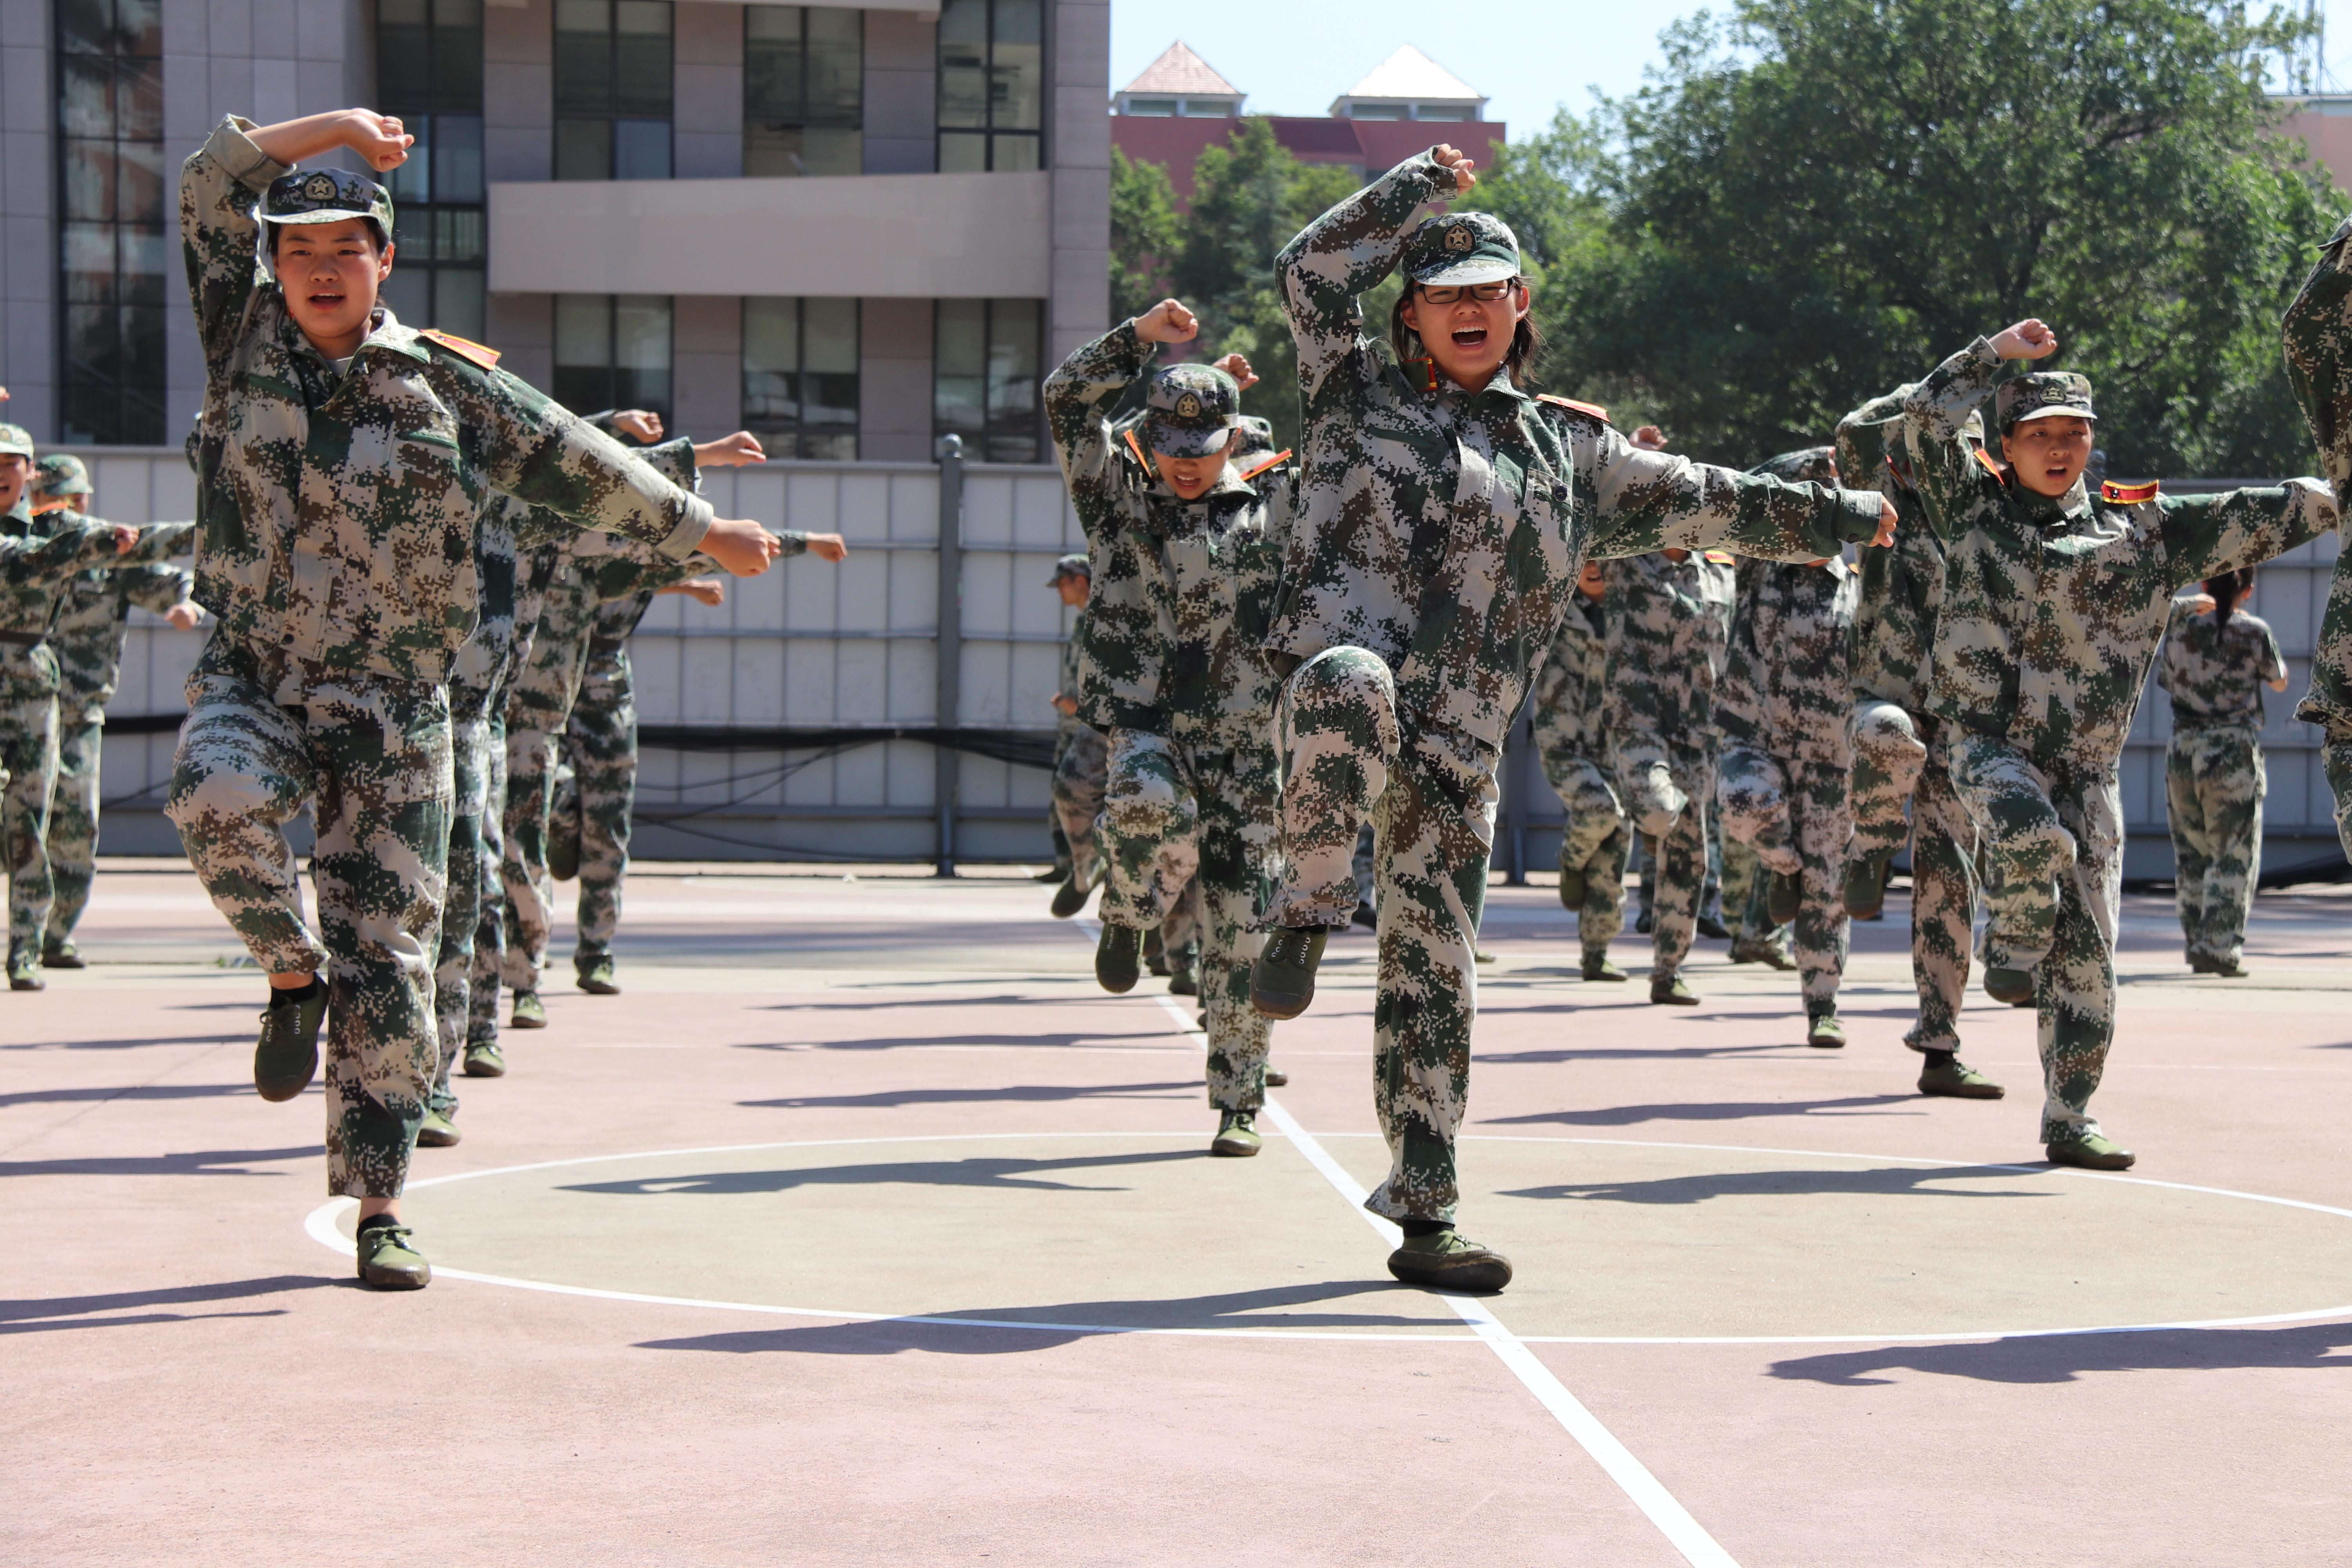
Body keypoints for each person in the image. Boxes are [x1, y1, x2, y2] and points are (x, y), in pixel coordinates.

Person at [1250, 144, 1895, 1291]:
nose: (1465, 311)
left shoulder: (1568, 451)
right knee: (1350, 677)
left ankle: (1426, 1209)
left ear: (1518, 304)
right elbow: (1309, 268)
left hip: (1459, 744)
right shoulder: (1352, 395)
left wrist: (1834, 515)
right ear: (1409, 313)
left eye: (1485, 291)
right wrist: (1412, 187)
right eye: (1440, 294)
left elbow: (1709, 498)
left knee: (1435, 972)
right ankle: (1305, 907)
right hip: (1342, 712)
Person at [171, 108, 784, 1288]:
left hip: (396, 703)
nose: (321, 270)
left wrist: (699, 527)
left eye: (345, 250)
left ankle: (381, 1205)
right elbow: (209, 184)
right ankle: (289, 974)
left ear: (384, 261)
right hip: (261, 671)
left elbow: (572, 457)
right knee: (212, 796)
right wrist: (335, 130)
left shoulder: (443, 383)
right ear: (275, 267)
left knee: (390, 958)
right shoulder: (237, 334)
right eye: (299, 252)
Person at [1901, 318, 2334, 1171]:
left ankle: (2070, 1115)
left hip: (2088, 770)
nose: (2060, 448)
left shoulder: (2145, 533)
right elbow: (1925, 419)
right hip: (1990, 747)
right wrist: (1994, 354)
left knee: (2090, 955)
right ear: (2008, 445)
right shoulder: (1970, 507)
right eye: (2040, 434)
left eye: (2075, 433)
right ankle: (2013, 938)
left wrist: (2339, 487)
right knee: (2029, 835)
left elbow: (2270, 512)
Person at [1044, 300, 1289, 1158]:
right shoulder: (1113, 496)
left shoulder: (1277, 501)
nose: (1187, 463)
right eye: (1173, 446)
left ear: (1234, 439)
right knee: (1149, 801)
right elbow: (1067, 400)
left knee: (1243, 926)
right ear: (1148, 436)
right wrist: (1138, 337)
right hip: (1150, 722)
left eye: (1205, 447)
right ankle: (1128, 908)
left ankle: (1238, 1100)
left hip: (1249, 744)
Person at [1834, 384, 2006, 1096]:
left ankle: (1939, 1045)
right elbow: (1852, 435)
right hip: (1888, 694)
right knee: (1888, 735)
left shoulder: (1992, 504)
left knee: (1949, 882)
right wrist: (1918, 398)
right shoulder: (1880, 498)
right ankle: (1872, 844)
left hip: (1966, 713)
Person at [1, 444, 188, 992]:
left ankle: (38, 942)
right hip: (33, 692)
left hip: (52, 700)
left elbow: (147, 554)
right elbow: (31, 561)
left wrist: (216, 534)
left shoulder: (73, 535)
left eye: (11, 464)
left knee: (51, 824)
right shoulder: (49, 542)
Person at [1714, 446, 1858, 1045]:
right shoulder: (1758, 567)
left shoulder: (1858, 586)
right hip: (1755, 736)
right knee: (1743, 803)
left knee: (1829, 887)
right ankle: (1781, 867)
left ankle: (1823, 1006)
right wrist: (1821, 462)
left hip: (1830, 757)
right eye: (1811, 514)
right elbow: (1746, 490)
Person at [1609, 544, 1740, 1004]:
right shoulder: (1625, 556)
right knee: (1660, 807)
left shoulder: (1721, 570)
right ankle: (1650, 820)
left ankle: (1668, 970)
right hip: (1638, 717)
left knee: (1689, 856)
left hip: (1697, 731)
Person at [2157, 572, 2287, 976]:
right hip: (2231, 751)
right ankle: (2216, 947)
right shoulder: (2254, 631)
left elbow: (2167, 679)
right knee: (2232, 852)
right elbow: (2280, 681)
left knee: (2190, 851)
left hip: (2183, 749)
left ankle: (2196, 940)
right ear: (2247, 590)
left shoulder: (2180, 630)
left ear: (2204, 586)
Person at [1529, 559, 1627, 980]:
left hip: (1615, 747)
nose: (1594, 568)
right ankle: (1570, 860)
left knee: (1614, 849)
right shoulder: (1551, 608)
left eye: (1603, 559)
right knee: (1601, 810)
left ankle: (1596, 953)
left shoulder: (1633, 610)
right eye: (1586, 559)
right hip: (1564, 743)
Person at [1044, 553, 1109, 918]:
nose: (1060, 592)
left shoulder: (1101, 618)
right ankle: (1077, 866)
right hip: (1076, 724)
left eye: (1063, 584)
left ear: (1081, 581)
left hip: (1095, 725)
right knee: (1067, 789)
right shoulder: (1084, 619)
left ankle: (1091, 865)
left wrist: (1082, 705)